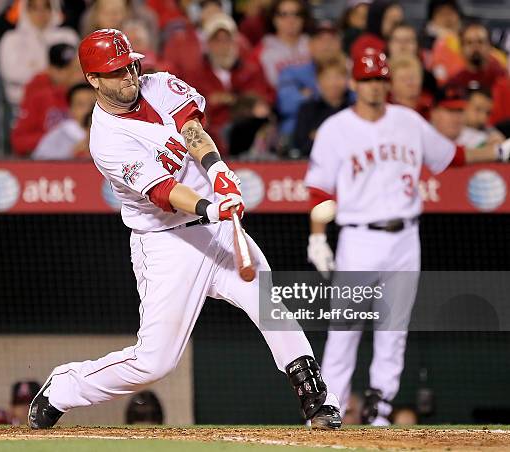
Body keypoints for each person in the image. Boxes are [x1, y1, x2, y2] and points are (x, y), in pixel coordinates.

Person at [27, 28, 342, 431]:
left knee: (269, 303)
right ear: (93, 81)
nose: (129, 76)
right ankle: (65, 388)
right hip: (166, 242)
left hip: (217, 229)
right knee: (155, 362)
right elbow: (164, 192)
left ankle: (318, 400)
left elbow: (192, 130)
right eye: (116, 71)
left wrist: (218, 171)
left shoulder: (159, 85)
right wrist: (212, 206)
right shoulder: (105, 139)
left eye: (131, 65)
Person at [304, 49, 509, 425]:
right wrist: (318, 237)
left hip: (405, 237)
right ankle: (328, 409)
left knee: (393, 328)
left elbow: (453, 156)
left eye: (380, 79)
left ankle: (379, 411)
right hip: (358, 237)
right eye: (367, 80)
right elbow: (319, 192)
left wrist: (498, 150)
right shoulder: (336, 129)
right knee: (345, 328)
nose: (374, 87)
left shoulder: (407, 121)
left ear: (388, 83)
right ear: (354, 84)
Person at [180, 14, 275, 156]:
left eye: (227, 40)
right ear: (208, 44)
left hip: (247, 131)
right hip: (211, 135)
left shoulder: (251, 70)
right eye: (217, 41)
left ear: (235, 42)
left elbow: (262, 101)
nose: (223, 46)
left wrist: (229, 100)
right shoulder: (196, 74)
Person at [0, 0, 79, 108]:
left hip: (65, 102)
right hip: (21, 104)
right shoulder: (11, 39)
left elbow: (77, 69)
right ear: (25, 9)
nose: (40, 13)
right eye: (34, 8)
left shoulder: (68, 36)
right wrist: (52, 74)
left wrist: (34, 67)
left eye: (46, 7)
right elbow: (11, 72)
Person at [11, 43, 83, 156]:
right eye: (64, 69)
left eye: (76, 69)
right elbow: (19, 141)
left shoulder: (90, 93)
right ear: (51, 70)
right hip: (47, 164)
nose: (73, 74)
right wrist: (54, 141)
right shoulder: (38, 95)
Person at [277, 22, 344, 137]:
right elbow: (287, 105)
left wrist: (309, 94)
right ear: (310, 45)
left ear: (340, 45)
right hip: (296, 137)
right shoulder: (292, 72)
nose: (327, 45)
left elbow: (357, 103)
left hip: (341, 133)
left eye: (332, 39)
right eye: (320, 40)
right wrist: (326, 93)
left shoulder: (348, 71)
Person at [292, 56, 353, 158]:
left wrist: (321, 136)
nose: (333, 83)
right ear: (318, 81)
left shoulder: (354, 110)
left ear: (347, 80)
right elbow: (302, 146)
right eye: (328, 77)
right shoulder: (307, 110)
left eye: (339, 77)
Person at [253, 0, 313, 89]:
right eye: (283, 15)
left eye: (296, 14)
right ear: (273, 19)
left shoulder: (314, 45)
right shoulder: (262, 50)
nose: (291, 20)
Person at [33, 83, 95, 160]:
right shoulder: (58, 134)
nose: (88, 110)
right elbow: (38, 161)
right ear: (71, 110)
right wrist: (72, 152)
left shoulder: (110, 131)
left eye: (92, 104)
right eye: (80, 105)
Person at [447, 22, 507, 92]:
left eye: (480, 42)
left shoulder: (501, 77)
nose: (475, 47)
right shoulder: (455, 82)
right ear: (462, 48)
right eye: (469, 42)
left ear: (490, 46)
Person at [386, 23, 437, 96]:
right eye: (397, 40)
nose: (402, 46)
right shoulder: (379, 77)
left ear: (417, 46)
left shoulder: (428, 79)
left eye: (408, 40)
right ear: (389, 45)